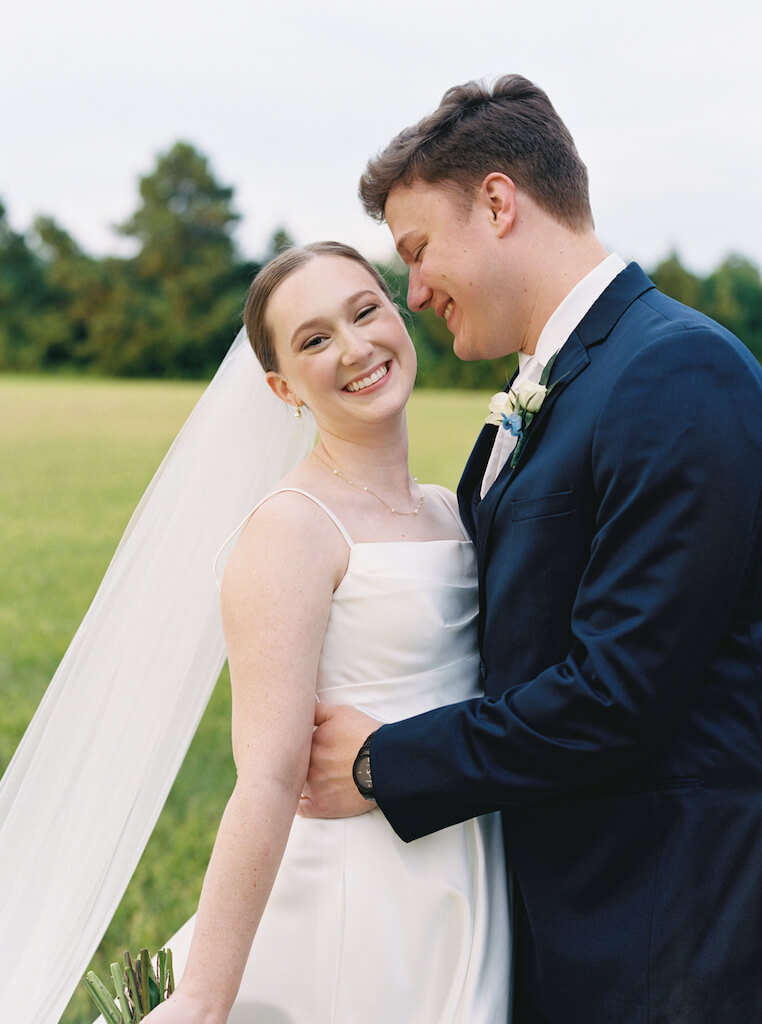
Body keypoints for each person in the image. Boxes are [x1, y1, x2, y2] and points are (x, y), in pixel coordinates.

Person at [300, 76, 762, 1022]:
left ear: (500, 203)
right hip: (561, 911)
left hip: (666, 925)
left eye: (421, 250)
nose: (415, 291)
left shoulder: (674, 367)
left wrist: (387, 761)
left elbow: (616, 691)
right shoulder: (561, 382)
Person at [131, 241, 509, 1023]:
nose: (355, 348)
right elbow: (267, 778)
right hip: (363, 896)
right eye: (313, 340)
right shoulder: (292, 530)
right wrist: (202, 998)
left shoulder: (451, 508)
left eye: (365, 310)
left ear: (397, 314)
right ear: (281, 387)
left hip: (472, 875)